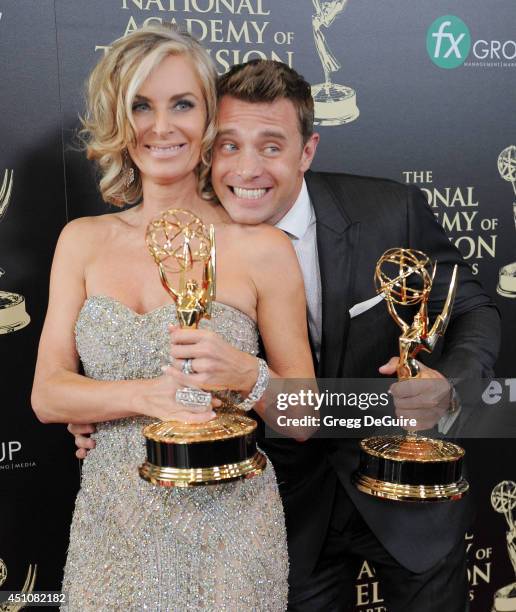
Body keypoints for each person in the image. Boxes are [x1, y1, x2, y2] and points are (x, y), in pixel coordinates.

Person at [72, 59, 501, 612]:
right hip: (283, 508)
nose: (247, 169)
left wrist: (453, 382)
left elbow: (474, 307)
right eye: (228, 145)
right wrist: (105, 410)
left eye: (271, 147)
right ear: (207, 148)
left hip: (405, 491)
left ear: (308, 151)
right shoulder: (187, 242)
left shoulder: (390, 211)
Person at [31, 28, 316, 611]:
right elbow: (48, 394)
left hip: (232, 536)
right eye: (142, 105)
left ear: (209, 118)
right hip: (111, 530)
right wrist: (147, 396)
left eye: (182, 104)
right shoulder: (82, 241)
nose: (162, 127)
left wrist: (247, 375)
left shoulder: (260, 248)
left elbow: (307, 415)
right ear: (119, 118)